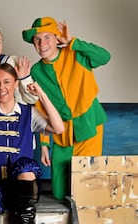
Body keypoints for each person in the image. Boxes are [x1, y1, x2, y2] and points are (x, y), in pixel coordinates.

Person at [0, 63, 64, 224]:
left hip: (21, 189)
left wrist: (41, 94)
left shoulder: (29, 113)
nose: (2, 87)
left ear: (15, 84)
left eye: (7, 82)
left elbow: (59, 128)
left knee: (26, 165)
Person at [22, 16, 111, 200]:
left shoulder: (75, 53)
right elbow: (41, 108)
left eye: (47, 37)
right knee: (60, 191)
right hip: (62, 131)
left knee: (86, 183)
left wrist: (73, 42)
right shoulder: (37, 71)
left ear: (57, 38)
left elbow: (104, 57)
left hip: (88, 124)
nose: (42, 43)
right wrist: (44, 144)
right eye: (37, 40)